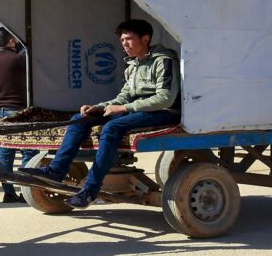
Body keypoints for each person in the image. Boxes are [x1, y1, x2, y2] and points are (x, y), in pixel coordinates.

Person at [21, 20, 181, 208]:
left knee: (112, 127)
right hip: (139, 109)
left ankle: (90, 190)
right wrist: (99, 107)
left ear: (145, 39)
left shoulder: (163, 60)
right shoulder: (133, 65)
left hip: (163, 112)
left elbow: (165, 99)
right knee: (79, 119)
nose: (124, 44)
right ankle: (56, 171)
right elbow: (124, 96)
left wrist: (124, 109)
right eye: (122, 40)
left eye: (128, 39)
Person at [0, 28, 38, 203]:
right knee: (29, 151)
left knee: (4, 154)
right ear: (11, 41)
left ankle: (8, 193)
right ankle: (27, 191)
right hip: (20, 111)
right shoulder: (21, 59)